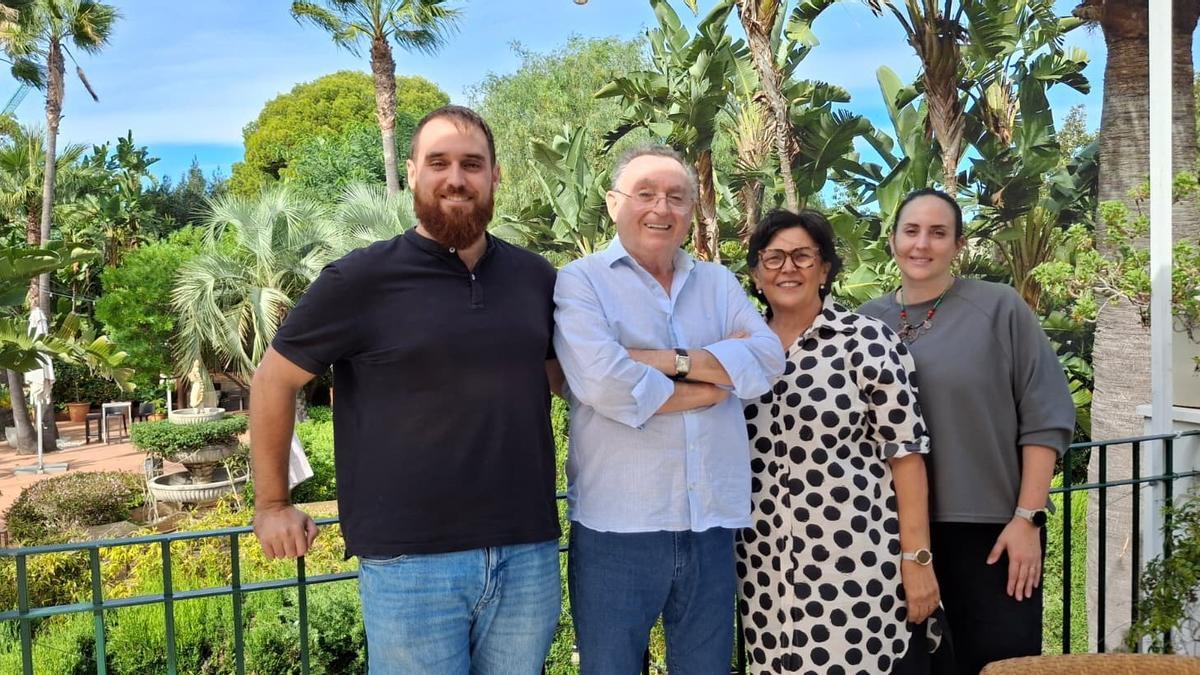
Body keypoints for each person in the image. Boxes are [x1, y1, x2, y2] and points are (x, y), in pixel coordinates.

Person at [249, 105, 562, 675]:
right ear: (413, 174)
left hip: (528, 552)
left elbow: (571, 379)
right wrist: (272, 503)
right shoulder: (359, 280)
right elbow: (274, 379)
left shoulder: (537, 278)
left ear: (495, 177)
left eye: (472, 163)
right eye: (438, 162)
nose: (456, 178)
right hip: (409, 565)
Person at [553, 144, 786, 674]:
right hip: (617, 527)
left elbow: (768, 359)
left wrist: (661, 361)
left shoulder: (718, 282)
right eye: (646, 194)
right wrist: (709, 381)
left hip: (711, 524)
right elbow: (603, 382)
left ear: (691, 211)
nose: (662, 208)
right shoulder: (581, 280)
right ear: (614, 203)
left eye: (676, 197)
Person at [859, 188, 1075, 674]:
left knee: (1001, 665)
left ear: (958, 245)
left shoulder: (999, 309)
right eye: (911, 231)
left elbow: (1046, 416)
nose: (922, 244)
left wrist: (1027, 519)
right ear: (893, 239)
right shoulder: (864, 324)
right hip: (891, 536)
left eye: (938, 233)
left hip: (992, 535)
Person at [738, 209, 942, 674]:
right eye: (773, 258)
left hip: (853, 568)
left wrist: (917, 561)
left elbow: (906, 455)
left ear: (825, 268)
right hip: (762, 569)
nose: (787, 268)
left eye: (803, 256)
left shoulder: (867, 342)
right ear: (755, 272)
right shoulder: (739, 349)